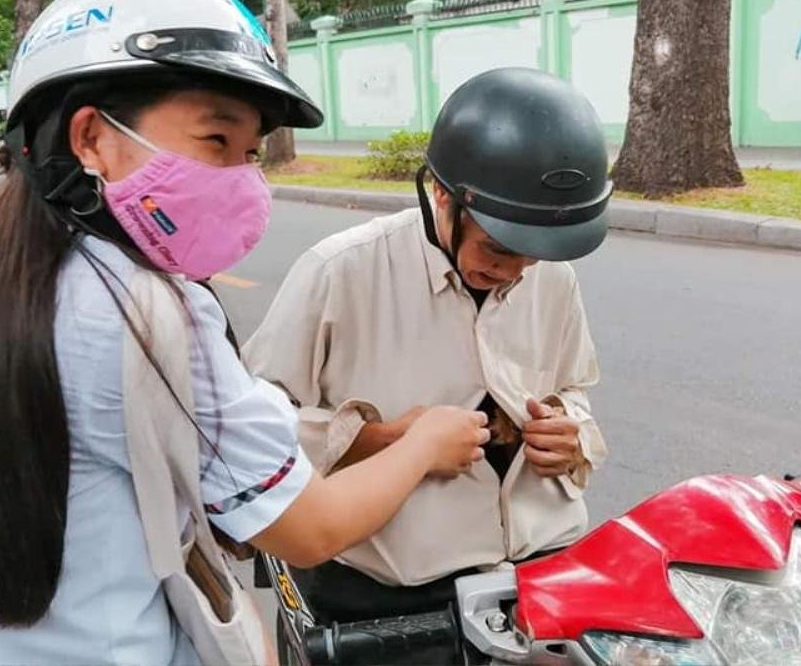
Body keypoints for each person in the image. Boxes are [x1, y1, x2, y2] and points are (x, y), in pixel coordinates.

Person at [0, 0, 489, 665]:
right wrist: (424, 446)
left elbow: (170, 424)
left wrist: (373, 439)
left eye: (251, 153)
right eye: (215, 141)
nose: (242, 179)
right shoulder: (138, 310)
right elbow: (310, 530)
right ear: (91, 139)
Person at [243, 68, 613, 628]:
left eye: (531, 255)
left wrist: (570, 433)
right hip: (390, 602)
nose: (512, 272)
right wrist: (391, 442)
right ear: (441, 195)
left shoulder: (550, 277)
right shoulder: (339, 272)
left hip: (541, 575)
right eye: (496, 248)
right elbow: (255, 434)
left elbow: (572, 387)